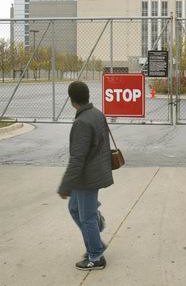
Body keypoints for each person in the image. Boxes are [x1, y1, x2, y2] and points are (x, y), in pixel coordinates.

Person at [57, 81, 113, 270]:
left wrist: (65, 186)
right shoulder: (96, 113)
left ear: (72, 100)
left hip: (87, 177)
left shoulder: (82, 122)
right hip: (94, 173)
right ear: (87, 96)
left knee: (86, 217)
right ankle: (96, 234)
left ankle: (96, 257)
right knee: (75, 209)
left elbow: (77, 159)